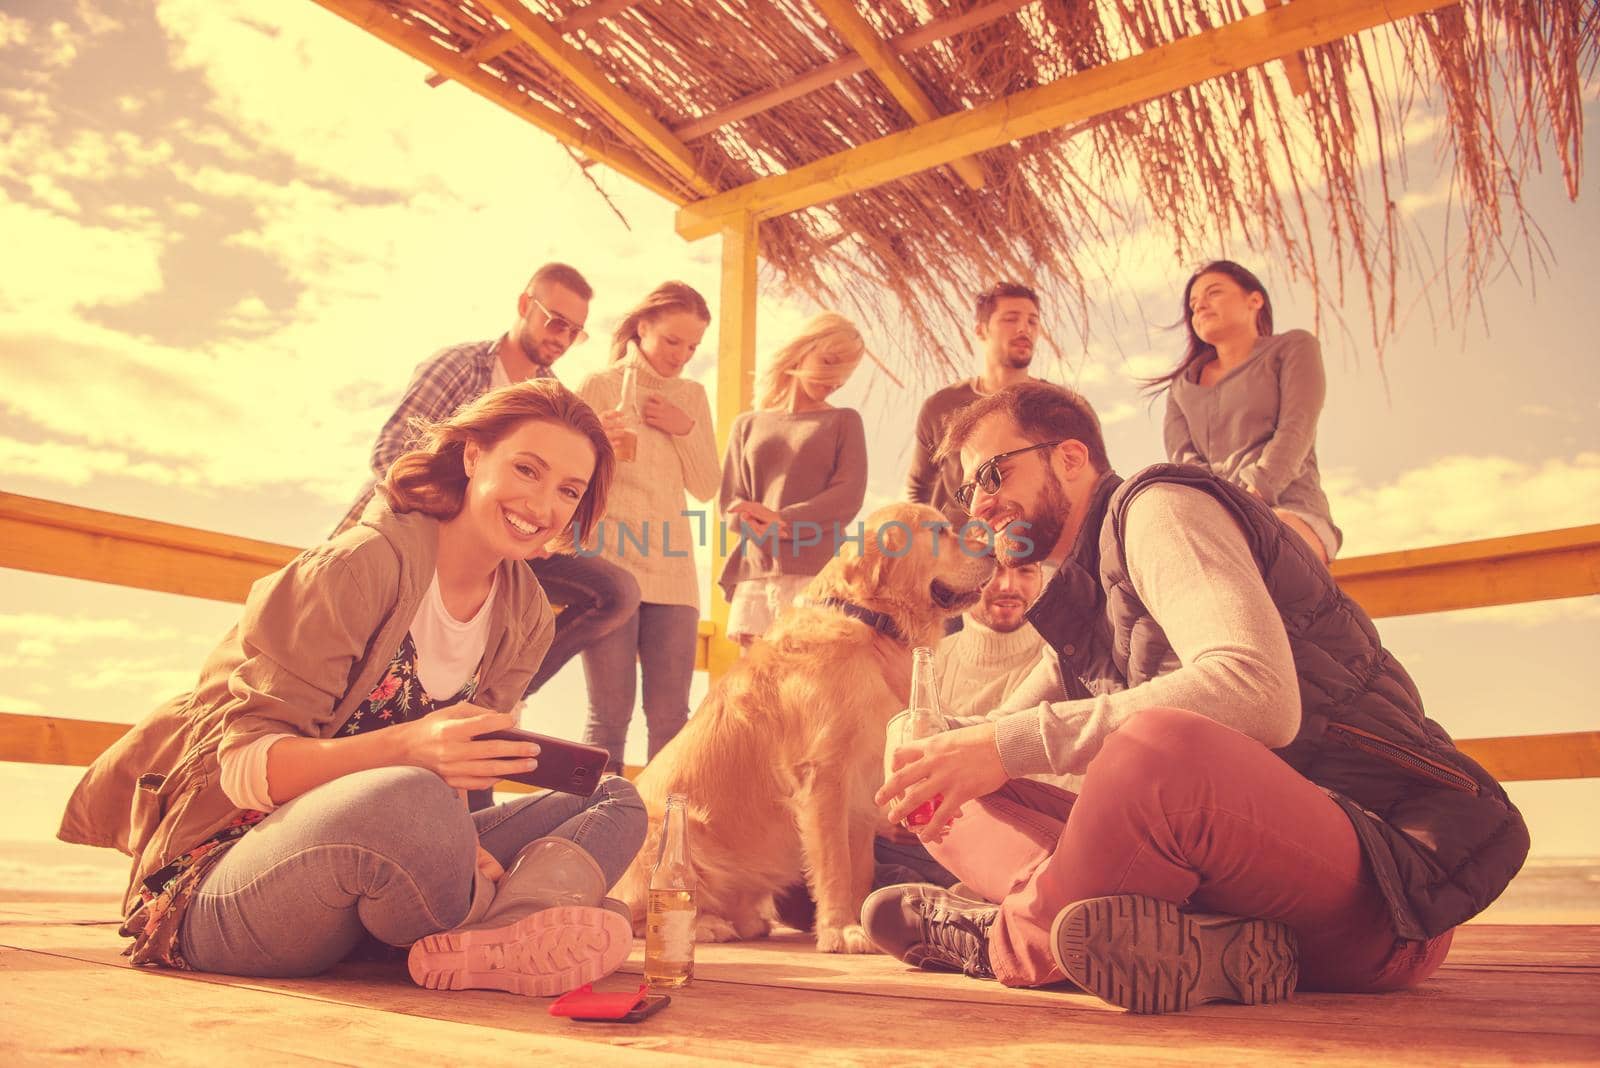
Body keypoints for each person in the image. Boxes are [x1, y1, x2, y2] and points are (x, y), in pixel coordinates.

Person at [862, 381, 1529, 1014]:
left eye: (992, 473)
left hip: (1386, 900)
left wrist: (1001, 743)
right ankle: (1191, 946)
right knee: (942, 775)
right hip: (1244, 911)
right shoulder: (1083, 602)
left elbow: (1259, 693)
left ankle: (1005, 937)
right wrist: (926, 743)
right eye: (968, 486)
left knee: (1155, 744)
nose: (976, 505)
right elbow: (994, 734)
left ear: (1070, 458)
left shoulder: (1159, 510)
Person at [58, 380, 648, 997]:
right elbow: (244, 768)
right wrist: (410, 750)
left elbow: (459, 785)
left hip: (381, 863)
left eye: (568, 491)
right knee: (408, 793)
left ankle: (500, 929)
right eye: (527, 469)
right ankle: (515, 921)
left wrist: (463, 845)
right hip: (226, 879)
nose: (543, 504)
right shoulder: (357, 567)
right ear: (474, 457)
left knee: (612, 799)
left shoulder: (523, 611)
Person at [333, 262, 641, 707]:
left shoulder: (554, 397)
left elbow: (553, 498)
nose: (561, 338)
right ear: (524, 305)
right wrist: (472, 511)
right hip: (416, 532)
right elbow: (388, 457)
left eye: (574, 332)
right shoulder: (458, 366)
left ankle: (498, 691)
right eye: (555, 321)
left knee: (616, 591)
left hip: (498, 549)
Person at [577, 281, 720, 772]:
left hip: (674, 575)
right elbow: (569, 478)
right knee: (608, 717)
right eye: (672, 342)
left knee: (671, 719)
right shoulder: (596, 386)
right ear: (642, 328)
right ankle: (592, 830)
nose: (682, 356)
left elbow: (706, 485)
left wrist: (685, 429)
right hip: (610, 568)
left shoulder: (692, 396)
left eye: (693, 346)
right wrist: (596, 444)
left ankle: (662, 832)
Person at [1152, 260, 1342, 563]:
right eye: (1193, 303)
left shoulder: (1294, 347)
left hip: (1292, 512)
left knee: (1263, 552)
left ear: (1254, 300)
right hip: (1217, 522)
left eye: (1213, 293)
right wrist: (1222, 512)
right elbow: (1185, 462)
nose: (1200, 306)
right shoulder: (1180, 388)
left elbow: (1297, 427)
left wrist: (1251, 502)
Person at [718, 312, 869, 647]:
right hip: (755, 571)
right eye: (829, 361)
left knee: (809, 683)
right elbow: (730, 501)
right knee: (753, 688)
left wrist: (784, 520)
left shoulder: (844, 421)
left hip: (816, 570)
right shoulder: (747, 424)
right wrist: (752, 523)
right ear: (804, 349)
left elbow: (848, 495)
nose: (836, 378)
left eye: (845, 371)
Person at [906, 282, 1043, 530]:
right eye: (1011, 319)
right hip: (960, 552)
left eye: (1033, 322)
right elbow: (919, 488)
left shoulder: (1060, 406)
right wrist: (935, 542)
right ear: (981, 331)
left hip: (1033, 552)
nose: (1024, 328)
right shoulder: (941, 406)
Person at [935, 561, 1045, 719]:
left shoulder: (1063, 665)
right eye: (993, 568)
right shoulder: (926, 661)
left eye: (1026, 570)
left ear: (1042, 579)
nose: (1009, 586)